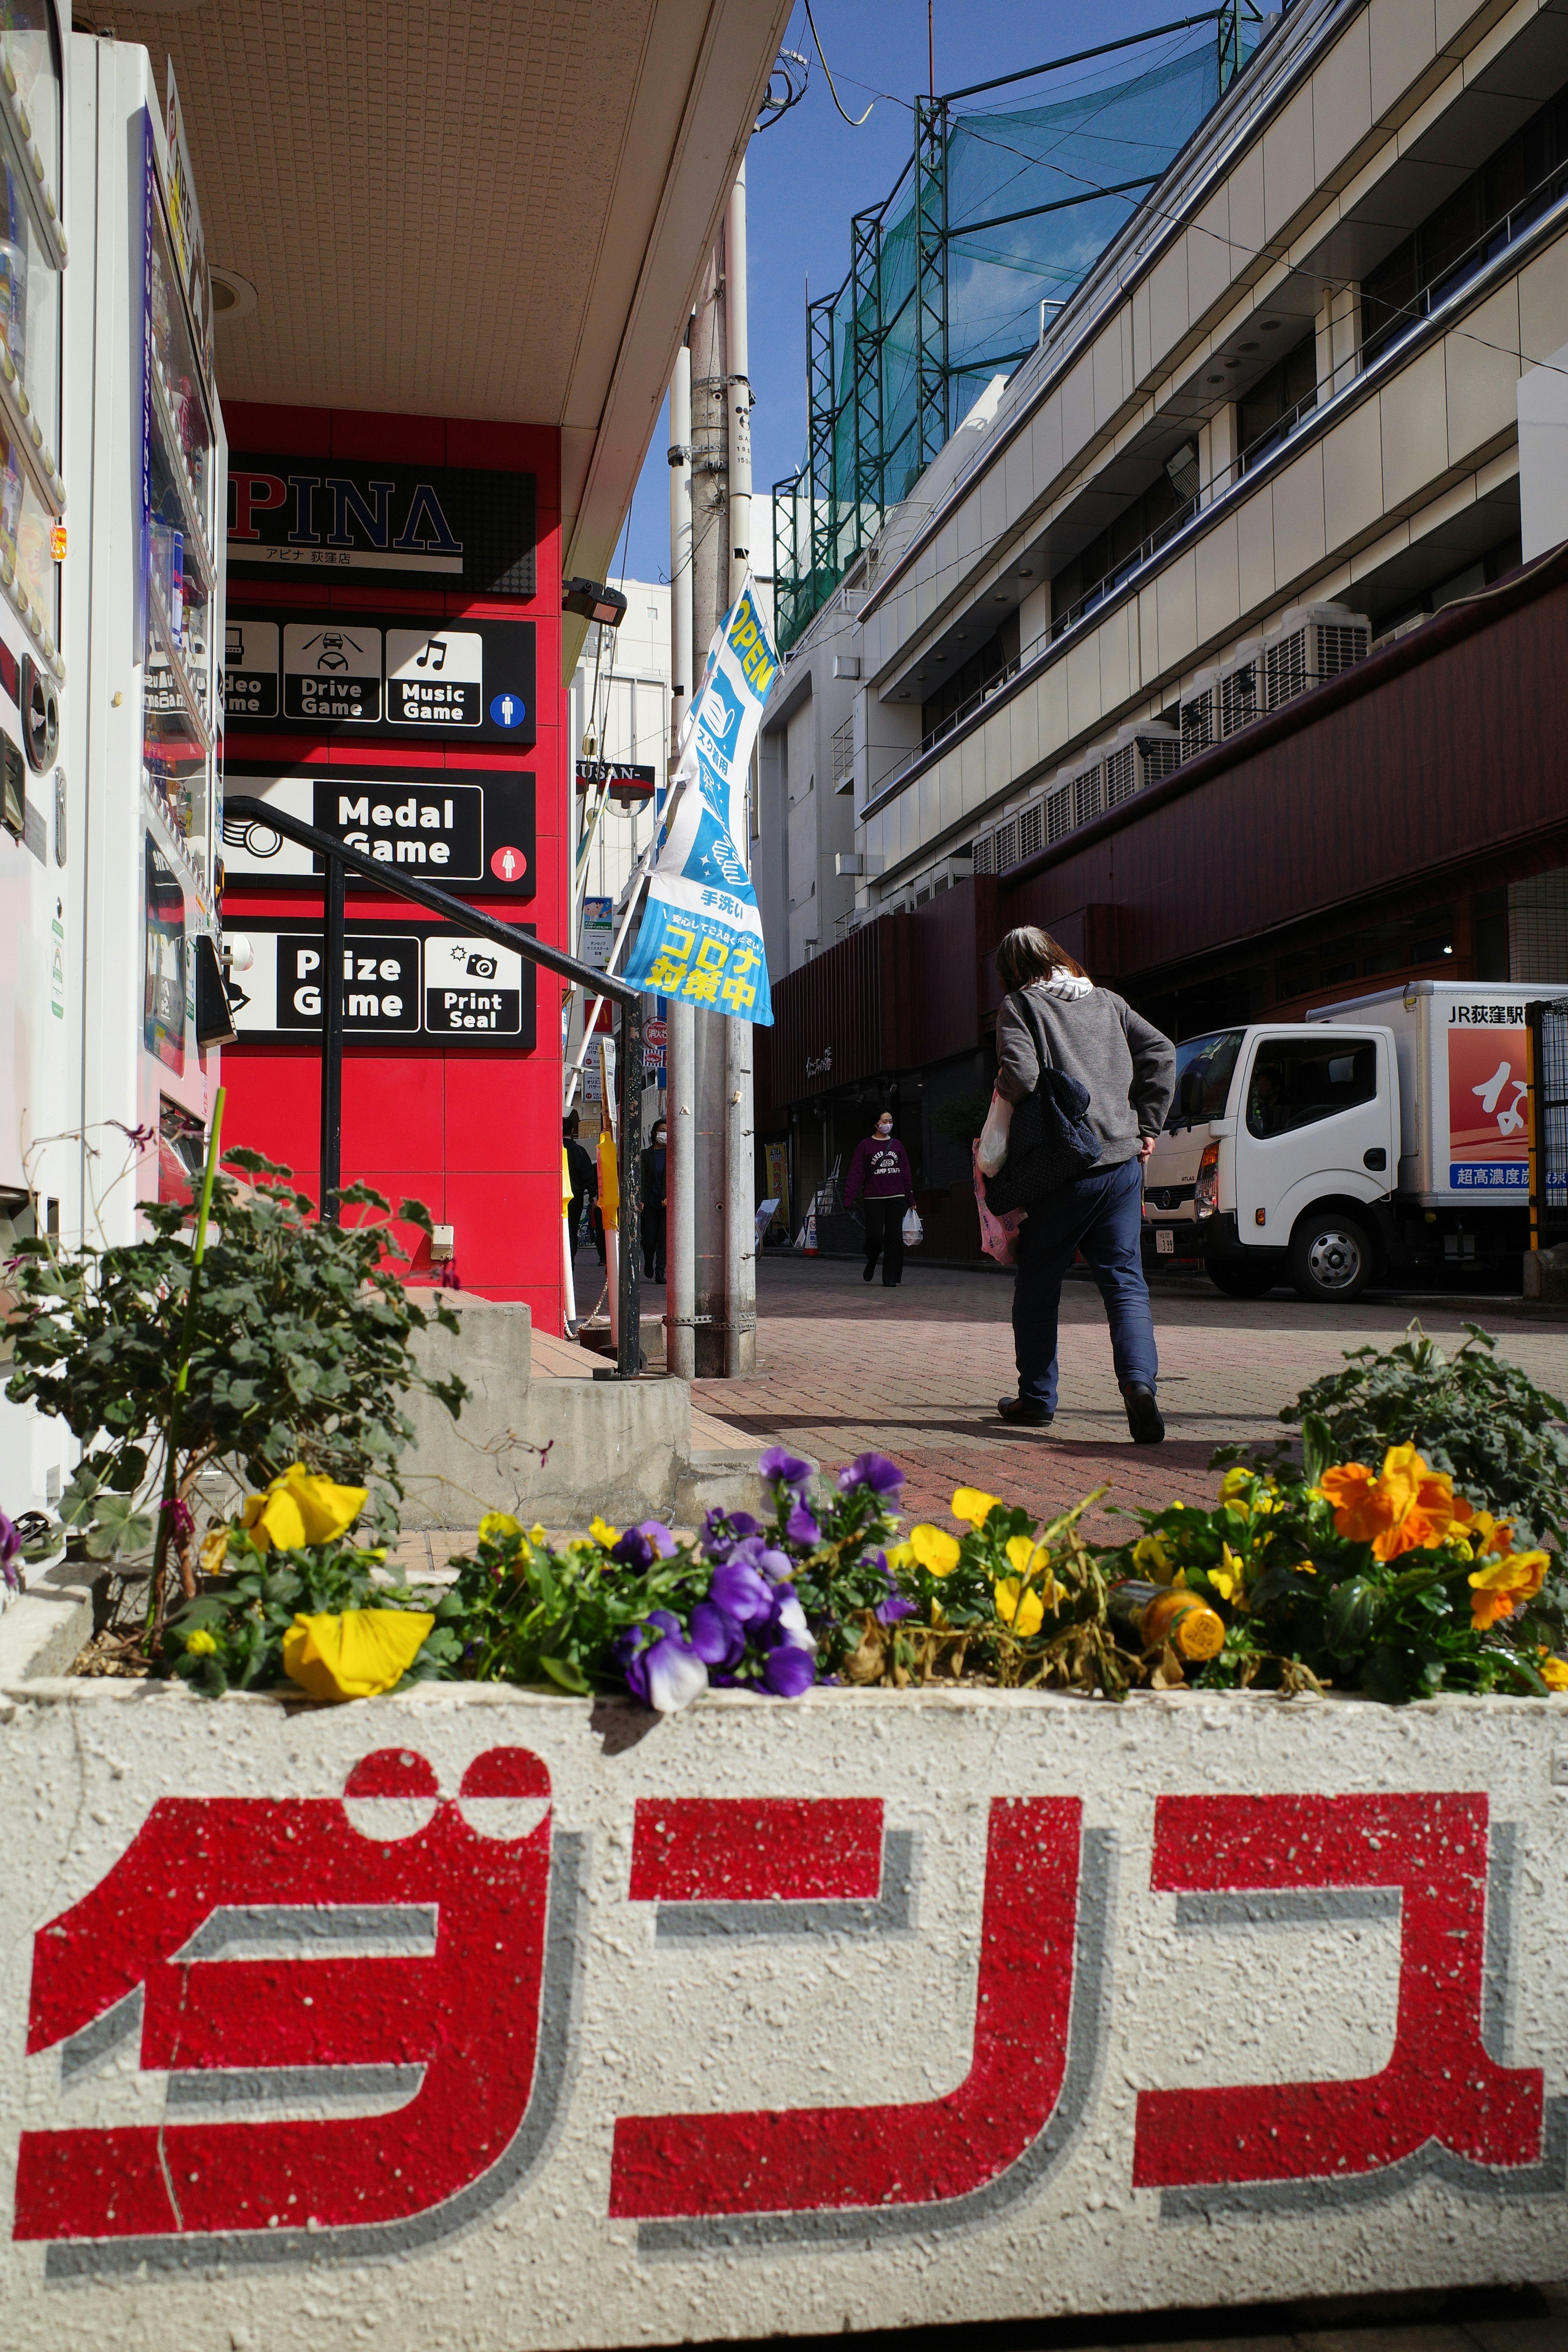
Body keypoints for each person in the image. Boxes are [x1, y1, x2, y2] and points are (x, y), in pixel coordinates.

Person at [986, 925, 1175, 1441]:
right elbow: (1161, 1051)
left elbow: (1021, 1078)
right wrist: (1148, 1125)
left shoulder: (1020, 1007)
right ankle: (1139, 1386)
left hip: (1061, 1167)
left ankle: (1037, 1399)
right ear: (1058, 956)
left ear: (1011, 971)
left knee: (1039, 1284)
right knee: (1125, 1282)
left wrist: (1000, 1096)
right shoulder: (1108, 1001)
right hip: (1120, 1164)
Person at [843, 1107, 915, 1288]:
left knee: (895, 1238)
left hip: (896, 1197)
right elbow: (857, 1173)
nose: (888, 1125)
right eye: (885, 1122)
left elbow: (906, 1173)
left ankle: (890, 1277)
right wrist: (849, 1198)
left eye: (891, 1121)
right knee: (875, 1237)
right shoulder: (865, 1146)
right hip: (874, 1198)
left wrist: (911, 1199)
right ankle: (873, 1257)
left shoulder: (898, 1146)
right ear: (876, 1124)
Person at [563, 1112, 597, 1263]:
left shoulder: (550, 1148)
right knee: (571, 1229)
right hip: (575, 1195)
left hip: (553, 1195)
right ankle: (570, 1262)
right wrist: (593, 1194)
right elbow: (588, 1174)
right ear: (572, 1131)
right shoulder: (579, 1151)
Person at [640, 1117, 668, 1283]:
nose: (665, 1135)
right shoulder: (646, 1155)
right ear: (655, 1133)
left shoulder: (673, 1155)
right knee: (649, 1239)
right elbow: (642, 1179)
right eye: (662, 1131)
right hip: (650, 1204)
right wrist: (641, 1199)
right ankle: (649, 1261)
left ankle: (660, 1272)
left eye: (667, 1132)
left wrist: (670, 1198)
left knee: (663, 1239)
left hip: (666, 1204)